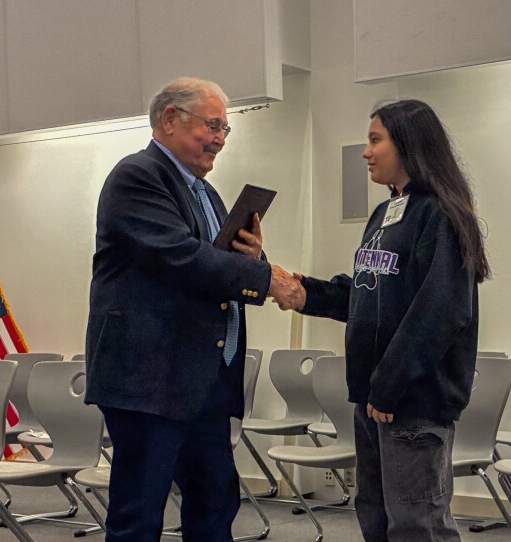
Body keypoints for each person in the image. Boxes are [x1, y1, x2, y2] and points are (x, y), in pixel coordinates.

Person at [85, 77, 302, 541]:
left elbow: (219, 264)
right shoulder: (137, 176)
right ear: (170, 119)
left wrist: (255, 259)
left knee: (215, 506)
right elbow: (182, 258)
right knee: (139, 517)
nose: (220, 139)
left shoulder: (208, 194)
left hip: (203, 383)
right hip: (150, 382)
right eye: (213, 125)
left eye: (225, 129)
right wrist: (268, 279)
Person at [276, 99, 490, 541]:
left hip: (412, 401)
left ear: (408, 145)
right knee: (375, 517)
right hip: (375, 398)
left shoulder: (440, 215)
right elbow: (369, 293)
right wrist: (306, 293)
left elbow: (440, 312)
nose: (365, 151)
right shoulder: (386, 214)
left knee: (417, 526)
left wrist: (389, 385)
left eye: (375, 140)